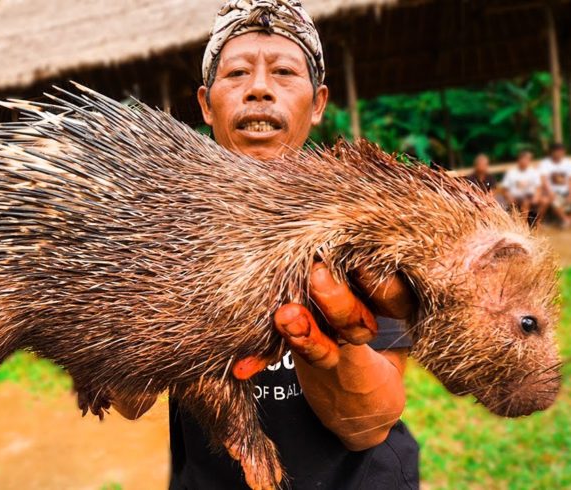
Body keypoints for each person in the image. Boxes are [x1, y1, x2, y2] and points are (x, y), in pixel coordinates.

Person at [103, 2, 420, 489]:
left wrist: (331, 348)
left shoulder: (360, 219)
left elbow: (369, 426)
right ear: (207, 104)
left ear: (317, 103)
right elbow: (128, 401)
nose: (258, 87)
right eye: (237, 73)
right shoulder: (162, 222)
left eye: (284, 71)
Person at [539, 143, 571, 227]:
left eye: (561, 152)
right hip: (553, 191)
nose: (559, 154)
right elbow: (544, 180)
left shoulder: (569, 163)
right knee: (554, 201)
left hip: (567, 190)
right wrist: (550, 192)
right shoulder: (545, 163)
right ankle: (565, 219)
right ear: (552, 152)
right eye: (557, 152)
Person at [502, 150, 548, 227]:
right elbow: (505, 188)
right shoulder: (511, 172)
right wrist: (508, 197)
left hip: (530, 195)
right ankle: (523, 225)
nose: (525, 162)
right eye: (523, 159)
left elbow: (538, 187)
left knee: (545, 201)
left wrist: (536, 196)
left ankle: (536, 222)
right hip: (516, 196)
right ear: (519, 160)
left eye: (527, 160)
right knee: (525, 202)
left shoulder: (533, 172)